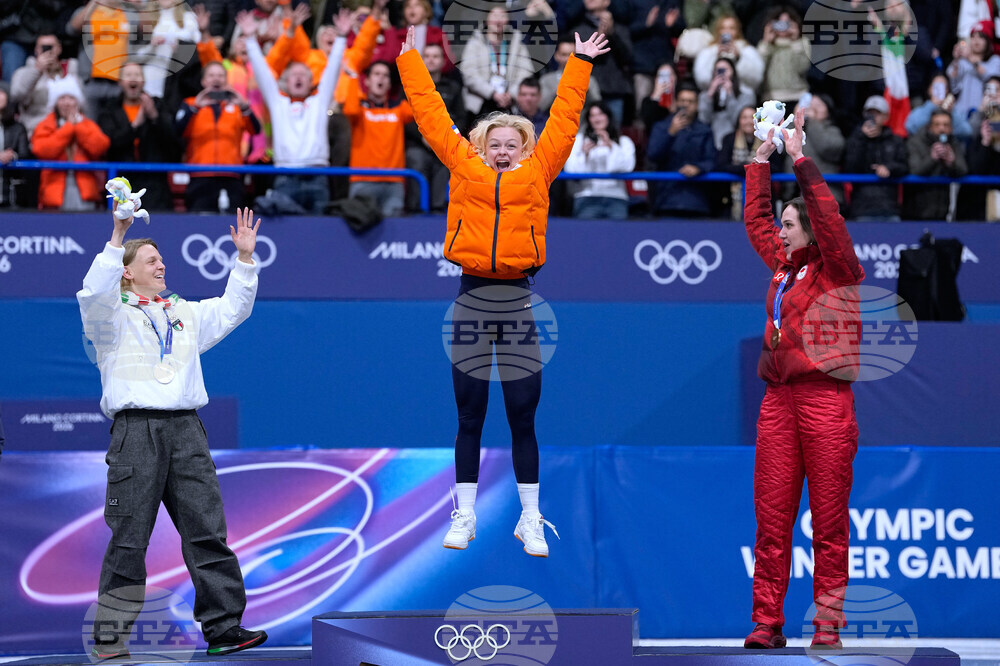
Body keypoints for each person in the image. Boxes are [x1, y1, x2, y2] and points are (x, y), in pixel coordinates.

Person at [398, 26, 608, 557]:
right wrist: (411, 66)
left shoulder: (539, 173)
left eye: (512, 143)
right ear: (480, 146)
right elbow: (431, 117)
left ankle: (530, 518)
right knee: (469, 413)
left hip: (517, 300)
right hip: (471, 298)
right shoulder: (463, 167)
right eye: (495, 143)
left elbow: (563, 120)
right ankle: (464, 514)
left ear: (525, 148)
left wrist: (579, 62)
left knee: (522, 412)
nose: (503, 149)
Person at [77, 204, 268, 661]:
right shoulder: (110, 320)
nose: (161, 265)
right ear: (126, 274)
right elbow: (92, 292)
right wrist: (119, 234)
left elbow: (231, 311)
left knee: (207, 532)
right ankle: (109, 637)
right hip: (136, 432)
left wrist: (243, 259)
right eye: (150, 261)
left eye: (162, 260)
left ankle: (224, 628)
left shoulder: (182, 313)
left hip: (187, 430)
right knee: (129, 539)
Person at [742, 107, 864, 651]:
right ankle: (767, 624)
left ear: (807, 229)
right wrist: (758, 163)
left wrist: (799, 158)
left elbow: (828, 218)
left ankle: (827, 627)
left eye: (788, 225)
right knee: (771, 520)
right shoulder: (783, 267)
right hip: (778, 402)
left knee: (830, 523)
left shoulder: (838, 268)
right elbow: (755, 222)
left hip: (826, 401)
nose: (779, 231)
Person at [238, 8, 350, 213]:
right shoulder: (278, 103)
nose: (298, 78)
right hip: (285, 177)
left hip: (318, 177)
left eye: (304, 75)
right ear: (285, 82)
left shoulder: (319, 102)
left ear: (311, 82)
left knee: (319, 236)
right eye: (294, 75)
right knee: (286, 239)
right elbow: (263, 74)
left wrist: (342, 38)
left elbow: (332, 71)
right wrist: (250, 39)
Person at [175, 60, 261, 212]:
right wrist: (195, 107)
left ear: (226, 81)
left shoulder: (236, 107)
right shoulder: (190, 104)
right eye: (211, 75)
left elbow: (256, 130)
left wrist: (244, 106)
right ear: (203, 81)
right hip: (200, 175)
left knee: (234, 223)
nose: (216, 79)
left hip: (232, 175)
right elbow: (178, 131)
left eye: (221, 75)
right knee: (199, 223)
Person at [98, 62, 179, 211]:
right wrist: (135, 125)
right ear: (120, 82)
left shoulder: (158, 105)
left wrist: (154, 116)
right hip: (122, 181)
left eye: (137, 75)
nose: (133, 78)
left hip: (155, 183)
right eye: (128, 75)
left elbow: (173, 141)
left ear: (143, 82)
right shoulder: (110, 108)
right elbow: (110, 143)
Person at [343, 60, 413, 216]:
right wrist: (354, 78)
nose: (381, 79)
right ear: (367, 81)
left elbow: (418, 109)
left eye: (385, 76)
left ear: (389, 84)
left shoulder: (399, 108)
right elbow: (351, 111)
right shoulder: (359, 108)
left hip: (394, 182)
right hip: (362, 181)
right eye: (376, 74)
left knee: (393, 238)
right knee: (359, 231)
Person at [30, 78, 110, 210]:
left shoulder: (88, 124)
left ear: (78, 102)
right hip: (54, 191)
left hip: (85, 191)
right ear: (55, 103)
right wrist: (68, 129)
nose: (66, 103)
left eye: (71, 98)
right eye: (62, 98)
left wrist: (78, 128)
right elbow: (41, 149)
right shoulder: (46, 124)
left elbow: (100, 147)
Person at [404, 42, 465, 212]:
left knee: (445, 163)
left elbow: (461, 118)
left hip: (446, 143)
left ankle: (439, 210)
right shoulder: (409, 87)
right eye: (427, 56)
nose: (431, 60)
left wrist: (444, 138)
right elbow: (406, 118)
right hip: (418, 143)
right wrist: (424, 137)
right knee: (416, 159)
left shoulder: (453, 87)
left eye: (435, 56)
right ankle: (415, 210)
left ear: (442, 61)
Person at [646, 82, 717, 217]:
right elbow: (653, 155)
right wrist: (670, 133)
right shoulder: (661, 127)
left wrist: (698, 168)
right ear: (676, 103)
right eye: (682, 100)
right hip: (666, 200)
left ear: (696, 106)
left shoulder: (705, 130)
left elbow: (712, 161)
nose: (685, 104)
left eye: (690, 101)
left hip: (696, 201)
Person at [458, 5, 536, 121]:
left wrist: (511, 93)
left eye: (502, 16)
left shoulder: (516, 41)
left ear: (508, 20)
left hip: (510, 101)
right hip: (481, 103)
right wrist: (492, 93)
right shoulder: (475, 41)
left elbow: (526, 71)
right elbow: (469, 73)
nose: (498, 20)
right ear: (486, 18)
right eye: (494, 15)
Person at [564, 100, 635, 218]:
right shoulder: (578, 141)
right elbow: (571, 170)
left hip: (616, 198)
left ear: (608, 116)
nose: (597, 119)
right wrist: (584, 154)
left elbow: (627, 167)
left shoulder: (624, 141)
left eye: (600, 114)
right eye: (593, 115)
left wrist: (611, 146)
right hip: (586, 197)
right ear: (589, 120)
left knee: (618, 236)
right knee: (585, 235)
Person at [843, 95, 908, 221]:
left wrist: (889, 168)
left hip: (889, 207)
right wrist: (862, 138)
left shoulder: (895, 141)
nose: (873, 117)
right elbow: (850, 167)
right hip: (862, 208)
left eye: (877, 113)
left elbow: (905, 166)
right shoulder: (855, 139)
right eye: (869, 113)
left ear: (886, 117)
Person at [9, 34, 83, 136]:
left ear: (59, 48)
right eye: (43, 47)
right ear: (36, 50)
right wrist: (37, 70)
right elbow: (17, 95)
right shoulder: (23, 72)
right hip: (37, 130)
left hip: (72, 128)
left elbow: (84, 103)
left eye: (51, 47)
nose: (48, 50)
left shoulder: (73, 70)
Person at [905, 109, 968, 220]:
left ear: (951, 128)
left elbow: (963, 170)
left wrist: (951, 163)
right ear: (930, 126)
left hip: (942, 211)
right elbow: (914, 171)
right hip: (916, 211)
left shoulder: (954, 143)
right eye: (937, 124)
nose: (942, 129)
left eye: (946, 125)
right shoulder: (915, 142)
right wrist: (932, 158)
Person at [693, 13, 764, 94]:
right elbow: (702, 80)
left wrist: (739, 58)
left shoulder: (747, 50)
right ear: (718, 30)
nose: (727, 31)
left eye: (731, 28)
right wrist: (715, 58)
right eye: (723, 28)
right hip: (715, 95)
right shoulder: (708, 52)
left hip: (741, 95)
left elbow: (755, 79)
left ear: (737, 30)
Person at [756, 5, 810, 109]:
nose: (782, 27)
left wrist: (795, 41)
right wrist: (766, 42)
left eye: (787, 23)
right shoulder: (766, 45)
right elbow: (758, 69)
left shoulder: (802, 43)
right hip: (771, 98)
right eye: (779, 23)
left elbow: (803, 68)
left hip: (797, 96)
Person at [697, 56, 756, 149]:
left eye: (725, 70)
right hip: (711, 138)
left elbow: (738, 120)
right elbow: (703, 119)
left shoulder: (746, 94)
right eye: (718, 70)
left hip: (736, 139)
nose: (722, 74)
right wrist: (710, 95)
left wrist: (729, 95)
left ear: (733, 71)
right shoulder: (705, 95)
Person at [905, 74, 973, 141]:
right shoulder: (920, 110)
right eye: (936, 87)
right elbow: (910, 128)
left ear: (947, 91)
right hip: (925, 148)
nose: (939, 90)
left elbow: (967, 132)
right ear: (929, 89)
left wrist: (951, 112)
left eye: (943, 87)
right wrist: (930, 106)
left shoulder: (956, 111)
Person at [0, 83, 30, 207]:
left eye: (1, 92)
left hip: (10, 195)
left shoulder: (17, 128)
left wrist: (12, 156)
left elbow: (25, 155)